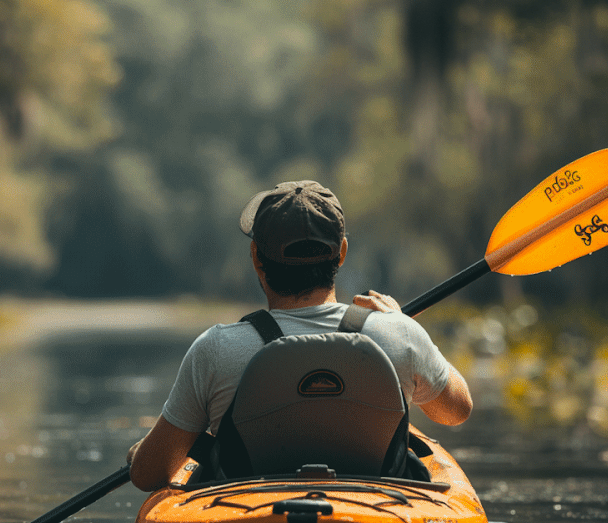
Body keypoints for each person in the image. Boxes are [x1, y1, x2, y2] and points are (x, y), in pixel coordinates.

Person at [126, 181, 473, 491]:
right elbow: (455, 411)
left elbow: (149, 475)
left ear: (256, 259)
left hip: (249, 519)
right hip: (374, 513)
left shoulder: (215, 350)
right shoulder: (398, 333)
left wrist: (140, 452)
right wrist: (402, 326)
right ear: (341, 252)